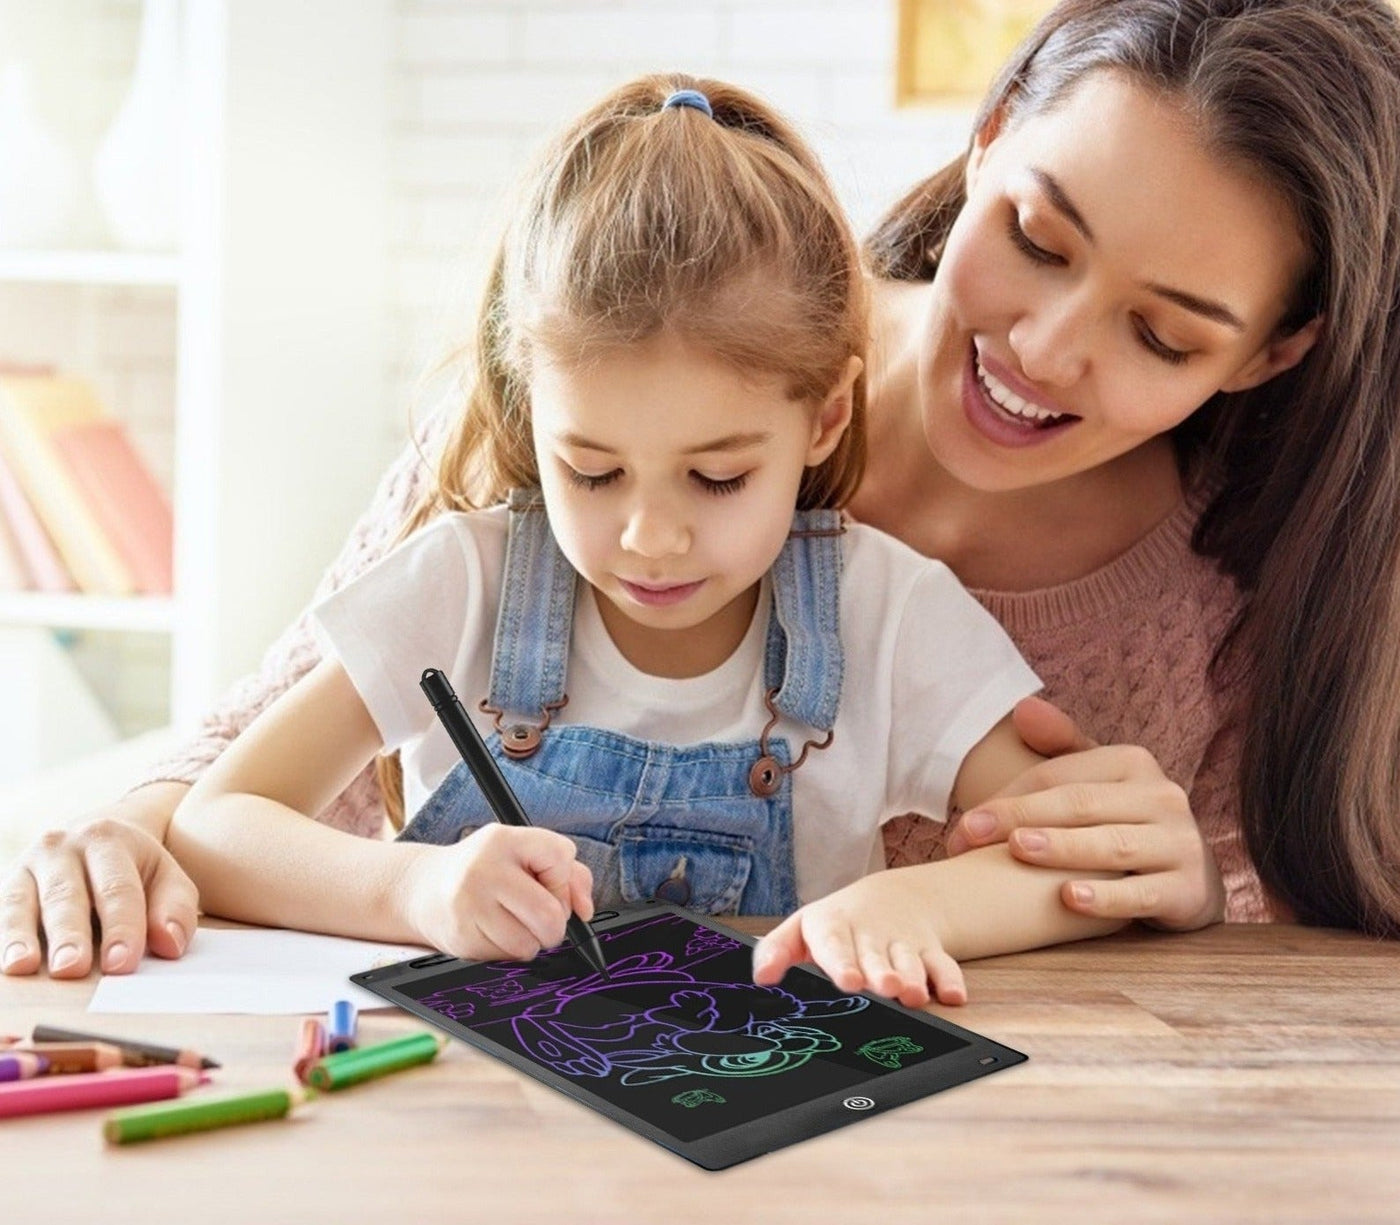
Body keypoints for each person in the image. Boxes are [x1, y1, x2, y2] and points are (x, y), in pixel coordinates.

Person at [7, 0, 1400, 980]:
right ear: (987, 133)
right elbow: (239, 769)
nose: (1045, 348)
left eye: (1162, 333)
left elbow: (1217, 955)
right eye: (1037, 237)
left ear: (1273, 353)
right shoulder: (639, 337)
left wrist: (1172, 893)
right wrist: (137, 833)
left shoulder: (1203, 605)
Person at [152, 76, 1126, 1008]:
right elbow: (216, 826)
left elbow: (1073, 864)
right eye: (590, 470)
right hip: (466, 1124)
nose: (648, 538)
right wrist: (414, 890)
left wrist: (912, 902)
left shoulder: (884, 615)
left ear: (824, 419)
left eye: (716, 478)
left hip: (754, 1118)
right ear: (532, 415)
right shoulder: (464, 584)